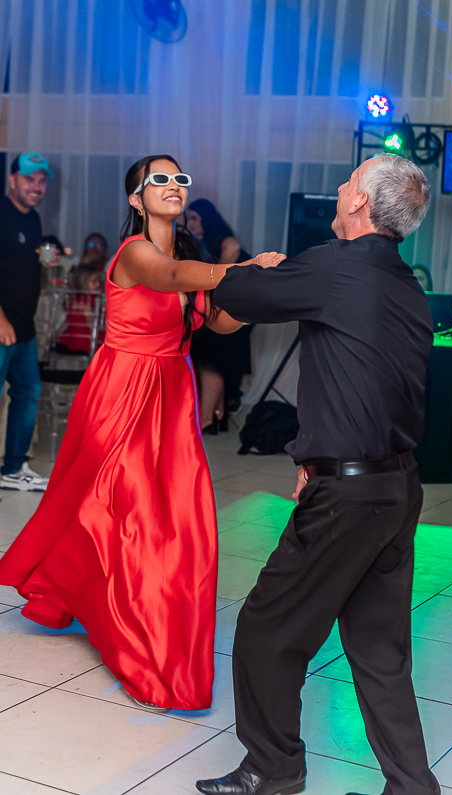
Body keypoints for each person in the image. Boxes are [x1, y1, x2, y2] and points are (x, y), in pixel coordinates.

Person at [0, 154, 282, 712]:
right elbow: (169, 278)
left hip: (171, 396)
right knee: (124, 514)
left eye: (180, 179)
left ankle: (151, 621)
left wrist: (257, 299)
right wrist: (243, 269)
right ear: (137, 198)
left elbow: (216, 319)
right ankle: (134, 634)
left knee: (180, 522)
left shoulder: (190, 259)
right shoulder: (134, 253)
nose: (173, 186)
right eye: (160, 179)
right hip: (122, 390)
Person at [196, 154, 440, 795]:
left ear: (360, 203)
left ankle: (273, 770)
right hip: (396, 486)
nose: (339, 186)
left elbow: (234, 299)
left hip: (349, 497)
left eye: (349, 181)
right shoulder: (408, 285)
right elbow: (369, 384)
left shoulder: (335, 266)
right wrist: (318, 455)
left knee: (266, 631)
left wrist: (255, 267)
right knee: (380, 651)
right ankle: (413, 788)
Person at [0, 152, 59, 492]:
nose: (37, 186)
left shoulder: (33, 219)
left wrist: (40, 262)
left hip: (23, 328)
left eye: (42, 180)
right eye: (29, 179)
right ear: (12, 180)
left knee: (28, 393)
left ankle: (13, 468)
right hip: (2, 326)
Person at [187, 199, 253, 431]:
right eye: (188, 218)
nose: (190, 223)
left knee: (210, 363)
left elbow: (217, 280)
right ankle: (215, 417)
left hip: (234, 310)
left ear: (207, 218)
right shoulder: (204, 242)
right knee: (213, 362)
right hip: (221, 308)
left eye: (194, 218)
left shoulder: (227, 241)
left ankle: (206, 419)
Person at [57, 264, 104, 354]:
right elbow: (93, 326)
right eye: (94, 281)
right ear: (83, 282)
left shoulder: (76, 299)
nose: (98, 284)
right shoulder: (85, 301)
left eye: (98, 280)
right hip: (86, 343)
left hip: (79, 341)